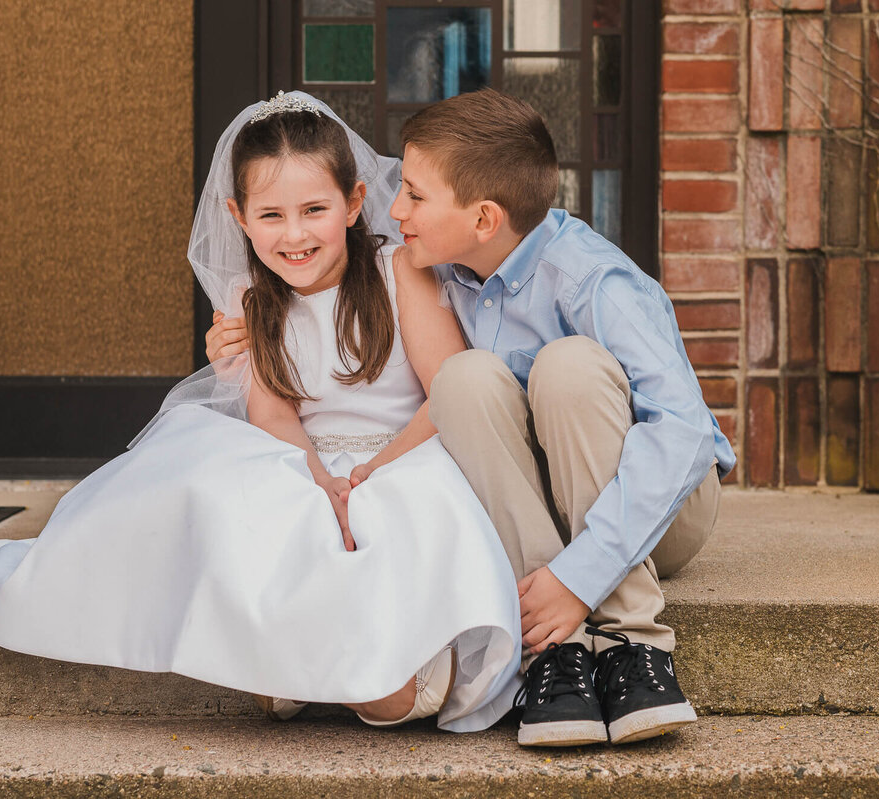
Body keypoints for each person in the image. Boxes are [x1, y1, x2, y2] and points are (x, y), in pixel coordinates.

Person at [0, 92, 522, 733]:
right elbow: (274, 420)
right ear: (238, 216)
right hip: (304, 457)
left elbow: (448, 395)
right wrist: (320, 478)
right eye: (271, 215)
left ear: (354, 203)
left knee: (393, 571)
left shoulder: (397, 270)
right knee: (237, 490)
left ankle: (354, 667)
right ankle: (303, 656)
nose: (294, 235)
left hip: (406, 450)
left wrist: (370, 475)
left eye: (314, 211)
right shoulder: (247, 300)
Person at [211, 88, 735, 748]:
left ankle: (634, 644)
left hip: (655, 506)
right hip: (541, 504)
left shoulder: (592, 280)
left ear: (483, 219)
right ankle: (556, 651)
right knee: (465, 378)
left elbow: (683, 435)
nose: (393, 207)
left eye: (415, 196)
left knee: (567, 366)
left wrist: (580, 574)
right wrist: (238, 343)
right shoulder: (439, 269)